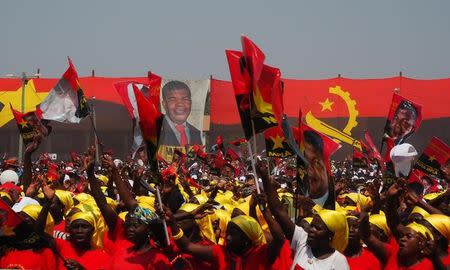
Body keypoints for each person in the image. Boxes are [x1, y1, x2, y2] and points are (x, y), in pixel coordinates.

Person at [160, 80, 202, 147]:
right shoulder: (157, 131)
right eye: (172, 99)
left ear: (191, 103)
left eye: (185, 99)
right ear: (164, 104)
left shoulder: (196, 132)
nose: (180, 104)